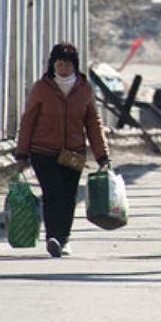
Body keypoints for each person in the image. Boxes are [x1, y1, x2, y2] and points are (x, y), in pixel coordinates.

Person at [14, 42, 110, 258]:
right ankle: (52, 237)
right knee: (53, 193)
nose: (63, 68)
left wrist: (102, 155)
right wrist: (21, 153)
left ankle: (64, 238)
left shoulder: (84, 88)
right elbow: (28, 121)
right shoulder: (42, 88)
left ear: (74, 65)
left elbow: (93, 123)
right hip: (44, 151)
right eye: (59, 63)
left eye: (67, 64)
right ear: (52, 64)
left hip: (74, 152)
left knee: (69, 196)